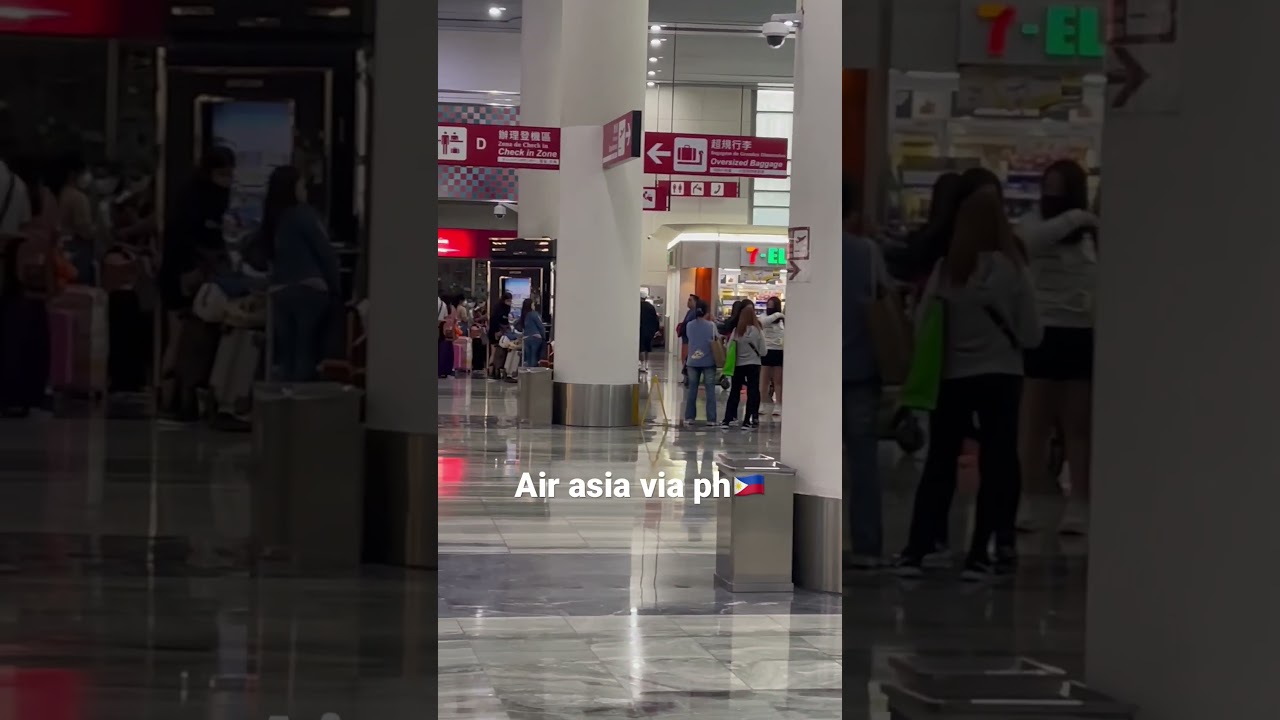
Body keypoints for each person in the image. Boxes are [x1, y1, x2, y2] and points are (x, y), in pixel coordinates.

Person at [894, 189, 1041, 581]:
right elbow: (1031, 332)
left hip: (953, 378)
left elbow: (923, 323)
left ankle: (917, 550)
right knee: (997, 461)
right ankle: (980, 554)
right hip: (1002, 377)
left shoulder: (946, 270)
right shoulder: (1012, 270)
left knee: (940, 463)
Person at [1015, 159, 1098, 535]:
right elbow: (1028, 242)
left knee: (1077, 425)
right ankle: (1027, 498)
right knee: (1034, 424)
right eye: (1048, 185)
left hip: (1080, 331)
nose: (1052, 193)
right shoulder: (1037, 225)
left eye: (1059, 186)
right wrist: (1079, 217)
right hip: (1043, 331)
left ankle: (1080, 501)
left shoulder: (1089, 234)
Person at [158, 147, 235, 418]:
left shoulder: (190, 197)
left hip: (181, 274)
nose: (228, 179)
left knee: (179, 337)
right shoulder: (201, 202)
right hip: (185, 276)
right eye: (223, 173)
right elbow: (198, 239)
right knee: (181, 337)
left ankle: (173, 397)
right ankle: (175, 398)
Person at [842, 179, 891, 568]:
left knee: (809, 460)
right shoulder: (867, 252)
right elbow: (885, 296)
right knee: (864, 461)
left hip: (817, 377)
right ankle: (868, 545)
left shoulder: (807, 253)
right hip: (860, 367)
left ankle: (806, 544)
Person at [263, 165, 341, 383]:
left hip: (280, 292)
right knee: (306, 350)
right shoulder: (303, 214)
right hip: (310, 289)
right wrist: (337, 289)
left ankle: (285, 405)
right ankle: (302, 405)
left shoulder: (273, 217)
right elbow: (324, 252)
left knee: (286, 354)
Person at [52, 152, 99, 285]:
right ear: (73, 174)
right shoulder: (78, 198)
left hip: (59, 253)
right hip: (77, 255)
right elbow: (84, 229)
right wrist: (97, 229)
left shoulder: (57, 194)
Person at [721, 301, 764, 429]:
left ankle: (727, 419)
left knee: (735, 391)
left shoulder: (736, 331)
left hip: (738, 365)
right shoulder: (757, 331)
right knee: (752, 391)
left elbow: (729, 348)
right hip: (754, 364)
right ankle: (747, 420)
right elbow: (763, 351)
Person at [682, 301, 718, 427]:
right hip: (708, 361)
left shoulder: (689, 325)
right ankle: (711, 419)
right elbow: (716, 338)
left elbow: (689, 338)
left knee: (692, 389)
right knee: (710, 390)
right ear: (707, 312)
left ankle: (689, 417)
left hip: (692, 361)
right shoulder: (711, 325)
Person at [759, 296, 785, 417]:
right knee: (764, 380)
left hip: (778, 351)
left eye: (772, 305)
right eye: (768, 304)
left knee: (778, 381)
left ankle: (779, 404)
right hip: (766, 350)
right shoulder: (765, 317)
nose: (769, 307)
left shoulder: (782, 320)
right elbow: (762, 322)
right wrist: (778, 315)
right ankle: (762, 403)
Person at [488, 291, 512, 377]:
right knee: (494, 352)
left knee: (498, 352)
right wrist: (496, 331)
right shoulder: (499, 309)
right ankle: (491, 371)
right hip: (495, 332)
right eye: (508, 301)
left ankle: (495, 370)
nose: (510, 303)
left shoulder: (504, 309)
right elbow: (494, 321)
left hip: (500, 332)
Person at [517, 297, 546, 370]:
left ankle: (527, 374)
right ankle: (533, 373)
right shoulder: (534, 314)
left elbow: (516, 325)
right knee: (534, 356)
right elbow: (540, 326)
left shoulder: (524, 315)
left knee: (528, 358)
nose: (534, 305)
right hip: (536, 337)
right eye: (533, 304)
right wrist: (544, 337)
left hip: (526, 338)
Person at [677, 294, 698, 385]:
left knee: (687, 358)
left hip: (689, 340)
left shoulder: (694, 313)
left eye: (690, 300)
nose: (688, 302)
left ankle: (688, 377)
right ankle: (686, 376)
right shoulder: (690, 312)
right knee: (684, 358)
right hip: (685, 339)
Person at [639, 296, 660, 373]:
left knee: (641, 347)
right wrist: (656, 330)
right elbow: (656, 318)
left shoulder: (639, 306)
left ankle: (642, 364)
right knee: (647, 347)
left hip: (641, 329)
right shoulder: (651, 307)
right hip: (650, 330)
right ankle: (646, 364)